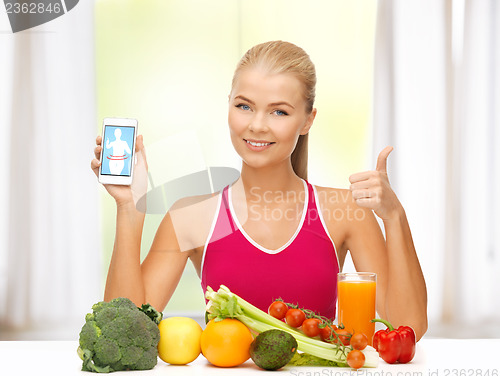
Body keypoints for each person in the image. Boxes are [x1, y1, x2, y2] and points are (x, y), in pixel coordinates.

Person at [91, 40, 427, 340]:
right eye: (244, 106)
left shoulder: (342, 211)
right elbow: (124, 329)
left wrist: (395, 216)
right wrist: (128, 207)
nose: (257, 125)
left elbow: (408, 325)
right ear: (228, 106)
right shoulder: (193, 217)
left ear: (308, 120)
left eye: (279, 111)